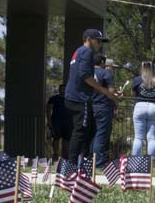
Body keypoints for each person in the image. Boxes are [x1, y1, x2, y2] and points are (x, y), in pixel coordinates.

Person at [65, 29, 116, 165]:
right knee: (81, 132)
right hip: (80, 98)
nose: (100, 44)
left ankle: (79, 162)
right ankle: (73, 165)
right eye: (98, 40)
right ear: (88, 39)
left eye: (101, 41)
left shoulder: (78, 51)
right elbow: (85, 76)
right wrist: (105, 91)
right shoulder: (87, 52)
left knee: (85, 130)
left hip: (72, 96)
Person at [129, 61, 155, 157]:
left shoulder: (137, 80)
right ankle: (151, 164)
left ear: (142, 68)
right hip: (154, 107)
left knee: (138, 137)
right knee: (151, 138)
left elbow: (132, 94)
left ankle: (136, 162)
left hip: (140, 105)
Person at [90, 53, 115, 167]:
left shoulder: (88, 72)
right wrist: (116, 96)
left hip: (90, 106)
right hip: (103, 107)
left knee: (92, 134)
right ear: (102, 63)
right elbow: (111, 91)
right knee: (101, 135)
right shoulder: (105, 73)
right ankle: (98, 163)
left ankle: (90, 160)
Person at [46, 84, 71, 160]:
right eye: (61, 89)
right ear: (59, 90)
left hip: (68, 122)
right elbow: (48, 110)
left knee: (67, 139)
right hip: (56, 122)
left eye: (64, 89)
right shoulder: (54, 98)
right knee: (56, 138)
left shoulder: (70, 99)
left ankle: (66, 156)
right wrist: (49, 121)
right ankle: (56, 154)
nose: (62, 90)